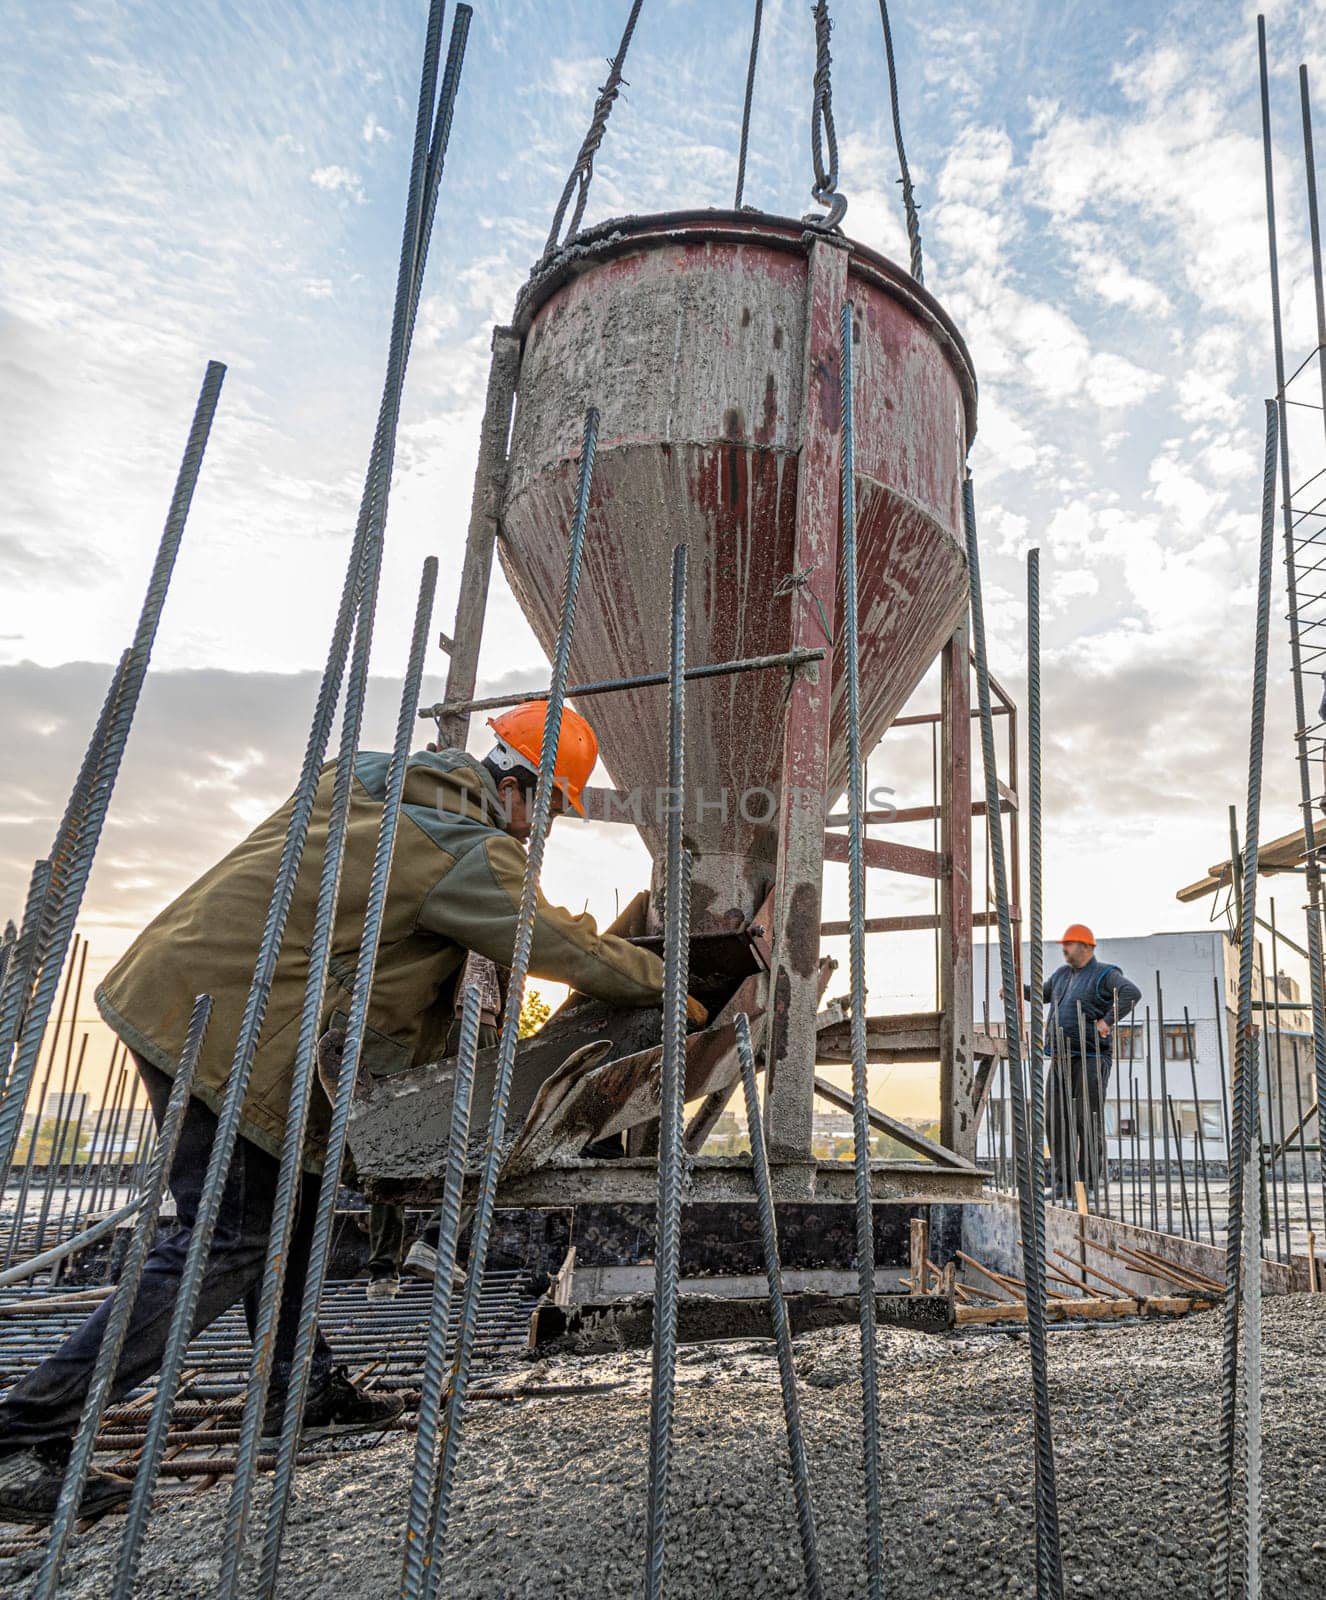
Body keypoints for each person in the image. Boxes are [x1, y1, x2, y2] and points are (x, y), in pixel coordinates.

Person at [0, 702, 700, 1523]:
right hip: (231, 1031)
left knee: (282, 1220)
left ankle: (300, 1392)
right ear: (518, 784)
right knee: (233, 1239)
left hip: (192, 999)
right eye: (546, 808)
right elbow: (558, 941)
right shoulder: (461, 846)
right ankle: (23, 1436)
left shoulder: (373, 783)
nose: (541, 829)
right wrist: (675, 986)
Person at [1029, 924, 1141, 1201]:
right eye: (1064, 945)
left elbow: (1131, 993)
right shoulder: (1061, 975)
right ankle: (1063, 1182)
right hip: (1061, 1056)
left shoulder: (1105, 974)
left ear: (1087, 947)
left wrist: (1107, 1021)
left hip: (1091, 1057)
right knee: (1056, 1119)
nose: (1064, 949)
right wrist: (1016, 989)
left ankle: (1088, 1183)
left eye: (1070, 944)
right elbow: (1041, 994)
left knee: (1085, 1120)